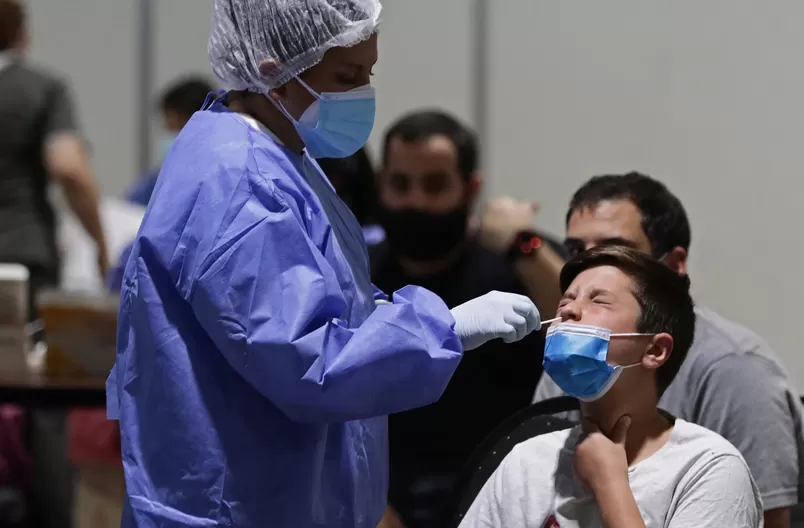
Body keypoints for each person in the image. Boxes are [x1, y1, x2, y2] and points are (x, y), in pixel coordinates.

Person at [105, 1, 541, 527]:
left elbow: (331, 299)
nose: (361, 92)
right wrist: (442, 328)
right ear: (273, 70)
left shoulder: (278, 155)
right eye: (347, 75)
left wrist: (411, 325)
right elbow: (307, 358)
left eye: (368, 73)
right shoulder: (240, 182)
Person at [533, 173, 804, 528]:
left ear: (674, 265)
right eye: (575, 251)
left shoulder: (734, 371)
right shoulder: (569, 359)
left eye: (616, 249)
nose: (593, 267)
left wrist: (609, 483)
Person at [461, 245, 763, 527]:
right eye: (566, 299)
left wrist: (610, 484)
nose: (568, 311)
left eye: (598, 300)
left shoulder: (708, 468)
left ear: (654, 350)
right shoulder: (527, 461)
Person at [369, 110, 566, 528]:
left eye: (435, 185)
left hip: (507, 504)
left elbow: (579, 323)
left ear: (471, 188)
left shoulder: (512, 266)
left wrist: (521, 243)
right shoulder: (358, 273)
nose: (416, 202)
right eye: (400, 185)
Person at [0, 0, 108, 305]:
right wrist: (100, 244)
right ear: (21, 34)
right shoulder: (41, 88)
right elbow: (69, 168)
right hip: (19, 254)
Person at [124, 76, 215, 207]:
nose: (166, 129)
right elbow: (130, 206)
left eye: (171, 125)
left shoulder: (220, 176)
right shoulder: (158, 181)